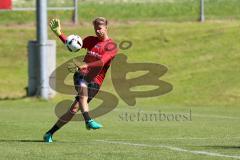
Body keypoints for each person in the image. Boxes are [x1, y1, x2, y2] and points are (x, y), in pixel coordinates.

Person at [43, 17, 118, 143]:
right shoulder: (90, 40)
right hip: (81, 74)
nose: (97, 31)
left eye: (100, 29)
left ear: (106, 28)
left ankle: (49, 133)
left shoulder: (111, 46)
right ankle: (88, 120)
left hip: (96, 82)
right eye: (95, 29)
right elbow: (73, 44)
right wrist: (59, 34)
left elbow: (102, 62)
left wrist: (87, 65)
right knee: (83, 93)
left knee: (73, 109)